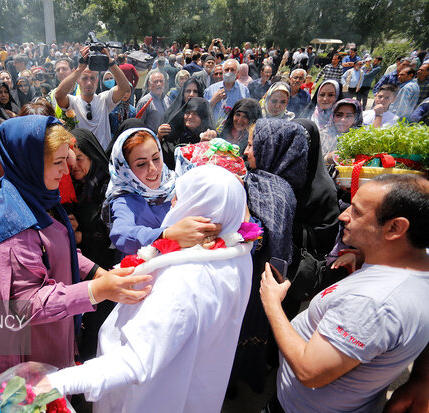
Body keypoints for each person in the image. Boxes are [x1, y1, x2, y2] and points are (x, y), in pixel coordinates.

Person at [43, 165, 253, 412]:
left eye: (181, 196)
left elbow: (134, 362)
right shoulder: (236, 252)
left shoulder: (185, 280)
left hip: (153, 396)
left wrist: (51, 383)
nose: (173, 202)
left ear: (200, 211)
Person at [0, 116, 153, 378]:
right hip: (32, 344)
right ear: (30, 164)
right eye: (58, 162)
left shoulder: (30, 195)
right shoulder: (11, 225)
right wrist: (96, 290)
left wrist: (97, 274)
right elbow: (27, 302)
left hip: (56, 323)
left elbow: (57, 249)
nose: (66, 170)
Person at [261, 174, 429, 413]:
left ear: (395, 228)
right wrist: (422, 378)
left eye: (358, 212)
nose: (343, 215)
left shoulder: (372, 303)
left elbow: (310, 372)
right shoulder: (418, 264)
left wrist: (272, 303)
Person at [231, 119, 308, 394]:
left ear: (272, 148)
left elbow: (258, 238)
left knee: (239, 329)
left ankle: (230, 381)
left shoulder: (270, 189)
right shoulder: (272, 183)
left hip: (252, 277)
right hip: (258, 276)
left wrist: (241, 211)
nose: (246, 152)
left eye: (253, 145)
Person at [104, 127, 220, 256]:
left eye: (156, 158)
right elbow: (122, 234)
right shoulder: (124, 199)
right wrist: (166, 235)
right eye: (141, 164)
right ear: (125, 168)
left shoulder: (176, 182)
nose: (153, 169)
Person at [69, 128, 116, 361]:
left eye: (80, 159)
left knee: (99, 318)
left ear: (92, 156)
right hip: (79, 263)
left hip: (103, 263)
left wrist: (81, 236)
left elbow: (111, 235)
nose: (74, 165)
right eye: (70, 159)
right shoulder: (68, 185)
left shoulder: (108, 187)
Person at [55, 46, 131, 151]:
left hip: (103, 157)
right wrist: (79, 69)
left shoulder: (104, 99)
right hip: (82, 159)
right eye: (85, 78)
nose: (89, 83)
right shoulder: (73, 101)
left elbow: (124, 88)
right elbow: (58, 95)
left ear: (97, 80)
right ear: (78, 80)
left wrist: (110, 61)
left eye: (92, 78)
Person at [158, 97, 216, 169]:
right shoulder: (174, 134)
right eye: (188, 112)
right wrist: (158, 138)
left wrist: (204, 145)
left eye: (195, 114)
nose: (190, 116)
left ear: (203, 116)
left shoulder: (209, 137)